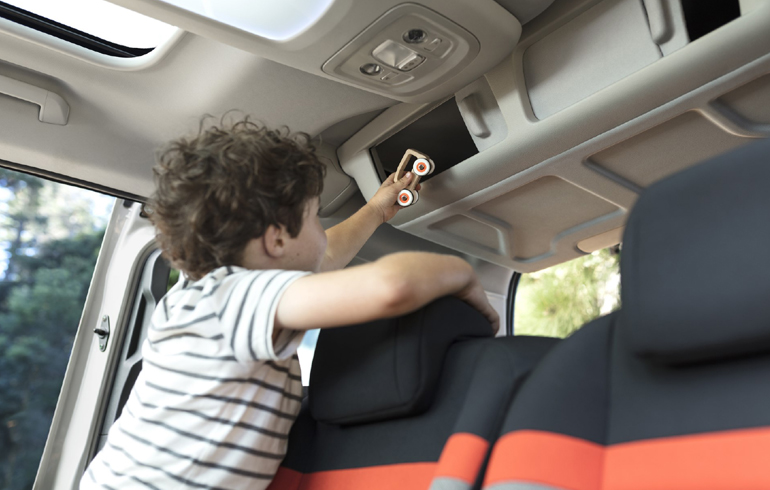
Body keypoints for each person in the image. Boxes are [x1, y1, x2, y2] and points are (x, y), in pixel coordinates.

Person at [81, 117, 499, 489]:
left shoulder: (206, 297)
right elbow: (391, 286)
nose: (321, 229)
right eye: (315, 216)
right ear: (277, 239)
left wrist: (374, 210)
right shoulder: (229, 298)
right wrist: (463, 275)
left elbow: (322, 258)